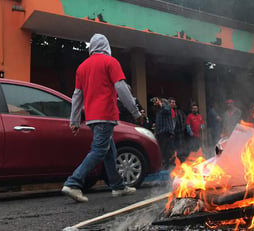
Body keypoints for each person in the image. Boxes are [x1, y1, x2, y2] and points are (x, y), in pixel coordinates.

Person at [61, 33, 141, 203]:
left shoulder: (82, 67)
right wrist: (135, 111)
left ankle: (117, 186)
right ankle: (73, 183)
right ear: (106, 46)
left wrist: (74, 121)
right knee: (99, 150)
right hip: (106, 114)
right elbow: (121, 88)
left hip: (91, 117)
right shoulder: (111, 62)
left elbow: (77, 95)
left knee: (108, 151)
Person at [151, 97, 175, 169]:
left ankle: (168, 164)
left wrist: (161, 103)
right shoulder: (159, 111)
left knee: (166, 150)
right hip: (160, 133)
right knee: (162, 149)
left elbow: (167, 110)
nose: (156, 103)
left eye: (157, 102)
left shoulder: (166, 107)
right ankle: (165, 163)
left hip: (165, 132)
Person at [169, 97, 188, 162]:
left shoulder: (179, 112)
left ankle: (181, 158)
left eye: (174, 102)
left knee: (180, 145)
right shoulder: (168, 112)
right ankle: (173, 159)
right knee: (173, 146)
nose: (174, 104)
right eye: (172, 102)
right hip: (172, 132)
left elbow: (184, 119)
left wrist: (183, 127)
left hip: (180, 131)